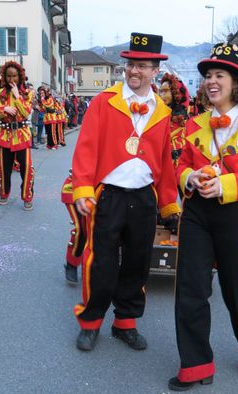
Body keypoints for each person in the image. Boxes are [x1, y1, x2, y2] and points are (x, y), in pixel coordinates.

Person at [170, 43, 238, 391]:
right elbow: (182, 165)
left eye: (220, 75)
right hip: (198, 213)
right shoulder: (194, 124)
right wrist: (190, 177)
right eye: (208, 76)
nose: (211, 82)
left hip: (237, 213)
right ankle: (195, 364)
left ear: (237, 82)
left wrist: (226, 185)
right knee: (190, 287)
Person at [71, 32, 180, 352]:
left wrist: (169, 203)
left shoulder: (162, 110)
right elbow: (86, 148)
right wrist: (82, 189)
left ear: (155, 71)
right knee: (101, 262)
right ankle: (91, 322)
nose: (135, 71)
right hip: (108, 195)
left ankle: (125, 323)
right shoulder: (104, 102)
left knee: (138, 262)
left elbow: (164, 160)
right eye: (131, 65)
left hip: (144, 196)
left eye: (143, 66)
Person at [0, 61, 35, 210]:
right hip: (4, 135)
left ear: (20, 77)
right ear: (4, 77)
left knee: (26, 168)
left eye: (14, 76)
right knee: (4, 167)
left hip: (22, 135)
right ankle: (4, 193)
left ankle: (27, 196)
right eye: (8, 76)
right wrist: (5, 109)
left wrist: (17, 97)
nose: (11, 80)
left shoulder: (28, 93)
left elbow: (26, 112)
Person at [159, 73, 189, 168]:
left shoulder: (183, 118)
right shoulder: (159, 114)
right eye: (161, 91)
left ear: (176, 93)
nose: (161, 95)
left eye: (165, 91)